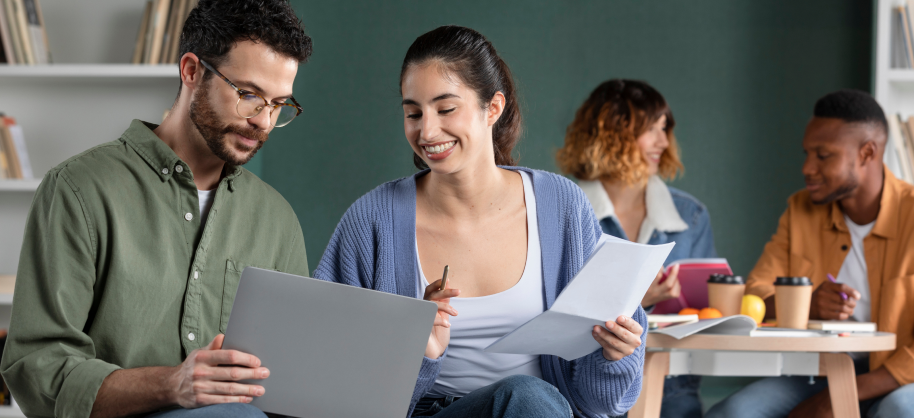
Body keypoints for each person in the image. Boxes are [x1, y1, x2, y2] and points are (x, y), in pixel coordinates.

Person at [314, 26, 646, 418]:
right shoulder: (371, 221)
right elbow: (330, 381)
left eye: (446, 108)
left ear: (493, 107)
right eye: (413, 113)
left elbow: (601, 403)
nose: (427, 131)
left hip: (540, 410)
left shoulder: (563, 207)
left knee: (528, 397)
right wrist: (416, 350)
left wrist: (615, 355)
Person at [0, 1, 312, 417]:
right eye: (249, 95)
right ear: (190, 71)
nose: (264, 121)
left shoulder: (278, 221)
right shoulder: (79, 190)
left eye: (279, 104)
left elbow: (291, 376)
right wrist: (172, 385)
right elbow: (36, 368)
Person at [706, 90, 914, 418]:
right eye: (806, 153)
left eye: (823, 155)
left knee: (899, 411)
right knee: (733, 413)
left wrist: (838, 397)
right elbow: (755, 295)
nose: (807, 167)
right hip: (821, 371)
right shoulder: (800, 210)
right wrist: (806, 302)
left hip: (900, 378)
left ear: (867, 153)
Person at [556, 79, 716, 418]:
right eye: (652, 130)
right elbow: (554, 314)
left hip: (672, 386)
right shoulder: (563, 209)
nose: (663, 141)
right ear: (612, 134)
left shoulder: (691, 215)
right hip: (585, 386)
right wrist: (637, 304)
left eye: (665, 129)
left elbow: (705, 316)